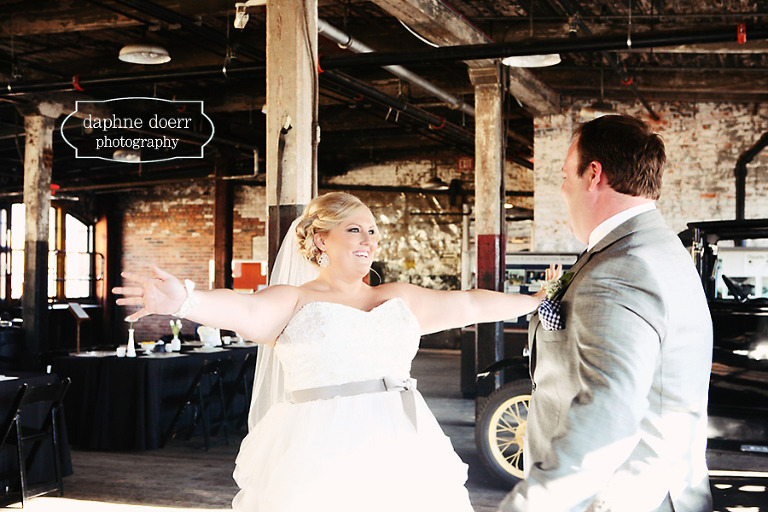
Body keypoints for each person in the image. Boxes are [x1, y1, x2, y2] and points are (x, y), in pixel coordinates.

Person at [114, 191, 555, 512]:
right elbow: (245, 308)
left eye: (372, 230)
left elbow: (471, 303)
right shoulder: (293, 299)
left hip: (401, 444)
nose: (368, 240)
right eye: (354, 229)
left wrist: (534, 301)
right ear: (322, 240)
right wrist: (186, 301)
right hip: (318, 448)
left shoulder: (398, 297)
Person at [499, 114, 713, 512]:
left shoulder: (622, 267)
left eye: (565, 176)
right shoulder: (657, 248)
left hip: (617, 499)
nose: (563, 190)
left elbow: (608, 413)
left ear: (593, 174)